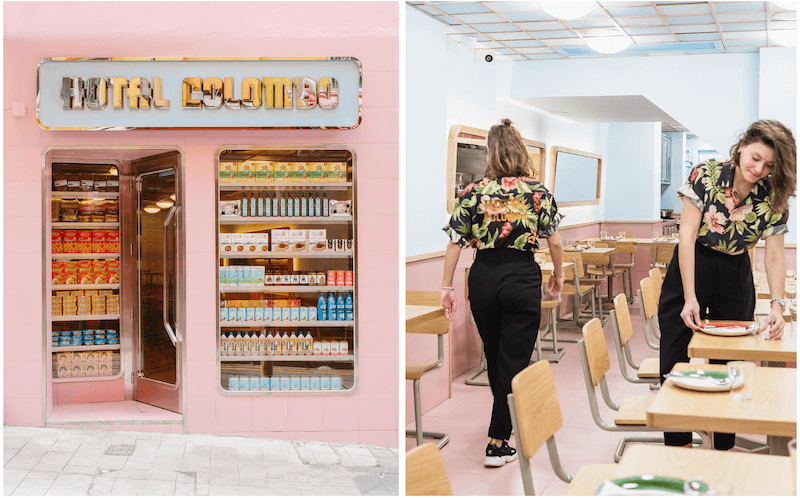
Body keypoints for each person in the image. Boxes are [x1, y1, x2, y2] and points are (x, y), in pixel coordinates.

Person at [658, 119, 796, 450]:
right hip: (691, 264)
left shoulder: (773, 193)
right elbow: (687, 235)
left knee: (730, 360)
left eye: (769, 165)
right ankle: (678, 445)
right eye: (755, 158)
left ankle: (723, 447)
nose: (759, 169)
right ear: (742, 146)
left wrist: (779, 306)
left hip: (736, 270)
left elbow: (774, 256)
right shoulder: (706, 174)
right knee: (675, 355)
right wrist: (690, 296)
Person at [440, 118, 565, 467]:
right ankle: (498, 440)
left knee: (496, 355)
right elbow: (554, 239)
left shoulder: (473, 192)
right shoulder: (538, 192)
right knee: (514, 358)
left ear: (490, 154)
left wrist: (447, 286)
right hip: (522, 275)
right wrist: (557, 274)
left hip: (483, 277)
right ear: (521, 150)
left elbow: (454, 243)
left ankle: (501, 422)